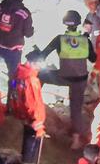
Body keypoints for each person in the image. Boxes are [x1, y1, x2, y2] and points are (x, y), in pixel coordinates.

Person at [37, 10, 96, 149]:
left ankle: (35, 104)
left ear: (65, 23)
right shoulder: (85, 40)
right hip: (80, 79)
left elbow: (43, 55)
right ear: (78, 24)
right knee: (75, 108)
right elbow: (94, 59)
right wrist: (85, 39)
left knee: (39, 75)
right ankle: (76, 140)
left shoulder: (59, 39)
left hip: (64, 77)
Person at [8, 59, 47, 164]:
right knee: (31, 152)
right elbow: (33, 102)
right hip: (32, 119)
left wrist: (16, 110)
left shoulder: (17, 74)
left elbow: (13, 90)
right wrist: (37, 122)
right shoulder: (31, 80)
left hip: (22, 114)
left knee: (26, 145)